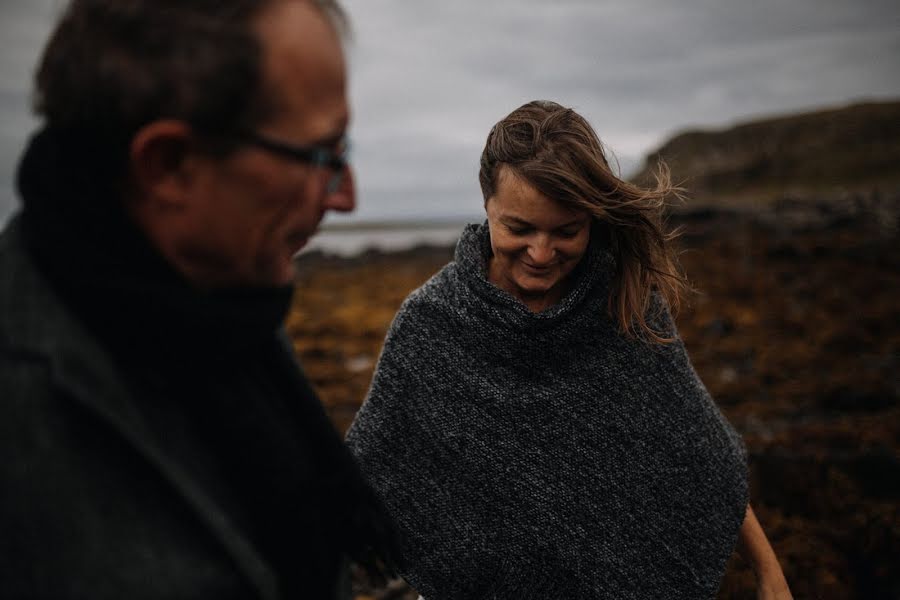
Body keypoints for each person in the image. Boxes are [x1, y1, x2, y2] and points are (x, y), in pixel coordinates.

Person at [0, 0, 394, 598]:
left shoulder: (214, 300)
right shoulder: (26, 405)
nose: (346, 198)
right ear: (169, 164)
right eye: (321, 155)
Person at [346, 100, 792, 599]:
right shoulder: (431, 324)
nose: (541, 253)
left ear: (591, 220)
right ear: (487, 207)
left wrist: (768, 572)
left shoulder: (625, 308)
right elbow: (366, 475)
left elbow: (700, 456)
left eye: (566, 231)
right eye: (518, 229)